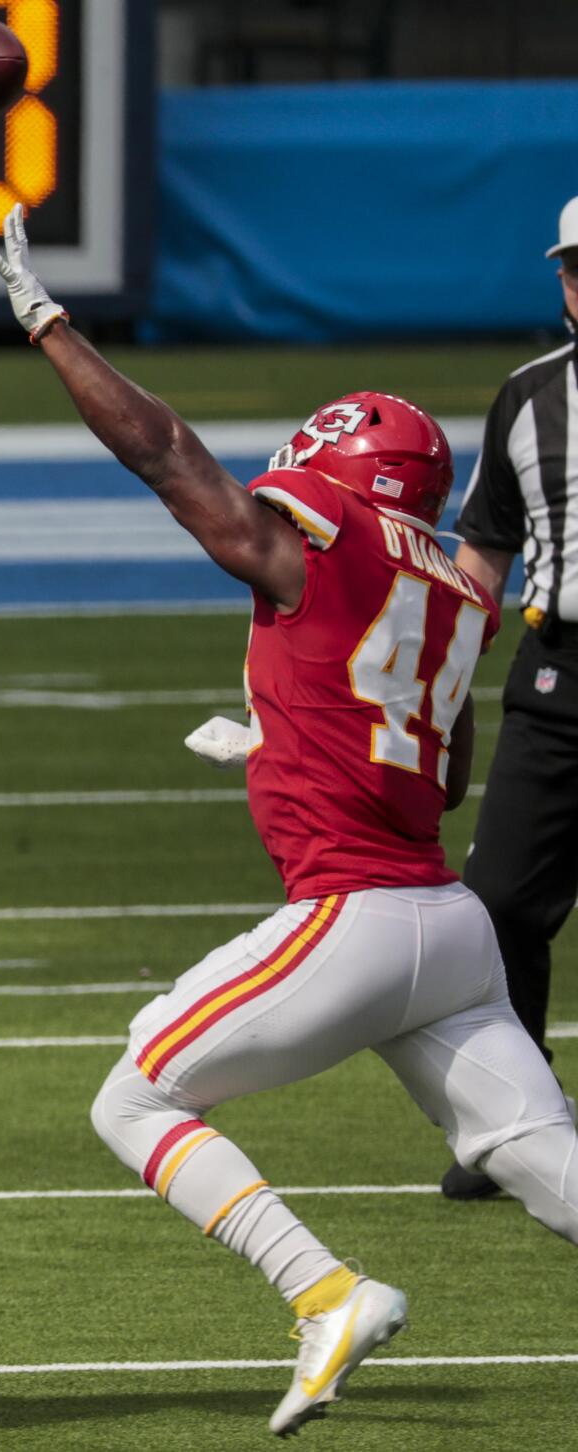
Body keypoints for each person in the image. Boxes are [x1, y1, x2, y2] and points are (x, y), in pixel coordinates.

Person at [0, 204, 578, 1438]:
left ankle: (325, 1290)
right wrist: (289, 736)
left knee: (132, 1100)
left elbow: (167, 455)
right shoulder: (457, 594)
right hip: (450, 926)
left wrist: (49, 326)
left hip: (358, 917)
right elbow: (440, 774)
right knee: (542, 1158)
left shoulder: (328, 538)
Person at [437, 195, 578, 1200]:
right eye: (572, 267)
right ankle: (522, 1125)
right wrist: (432, 672)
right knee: (497, 907)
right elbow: (482, 551)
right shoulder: (531, 397)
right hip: (561, 679)